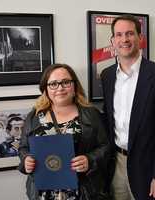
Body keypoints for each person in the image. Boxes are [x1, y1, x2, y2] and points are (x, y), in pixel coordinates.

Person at [18, 63, 110, 200]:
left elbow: (106, 146)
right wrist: (26, 160)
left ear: (74, 86)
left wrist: (90, 160)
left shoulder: (91, 114)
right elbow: (23, 148)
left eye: (66, 82)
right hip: (43, 193)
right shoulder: (34, 116)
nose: (60, 88)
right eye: (53, 84)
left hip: (84, 192)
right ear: (45, 89)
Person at [101, 14, 155, 200]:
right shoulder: (107, 76)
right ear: (112, 41)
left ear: (141, 38)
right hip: (116, 163)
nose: (124, 39)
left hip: (148, 166)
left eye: (130, 34)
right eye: (119, 35)